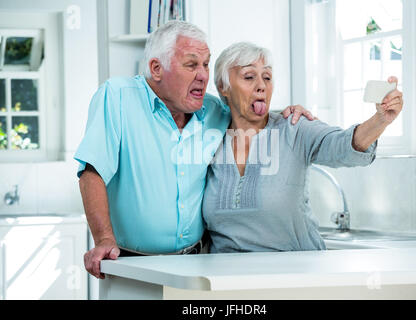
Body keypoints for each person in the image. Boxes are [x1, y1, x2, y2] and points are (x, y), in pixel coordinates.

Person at [75, 21, 314, 279]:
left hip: (197, 263)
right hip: (131, 263)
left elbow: (250, 112)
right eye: (191, 65)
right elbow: (92, 171)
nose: (203, 75)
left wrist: (287, 114)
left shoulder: (214, 111)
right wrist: (103, 238)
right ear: (156, 68)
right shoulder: (118, 96)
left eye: (206, 64)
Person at [202, 42, 403, 253]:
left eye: (267, 78)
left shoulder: (295, 128)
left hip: (293, 274)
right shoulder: (210, 139)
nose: (261, 85)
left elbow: (342, 145)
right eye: (249, 77)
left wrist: (380, 120)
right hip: (226, 279)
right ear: (223, 87)